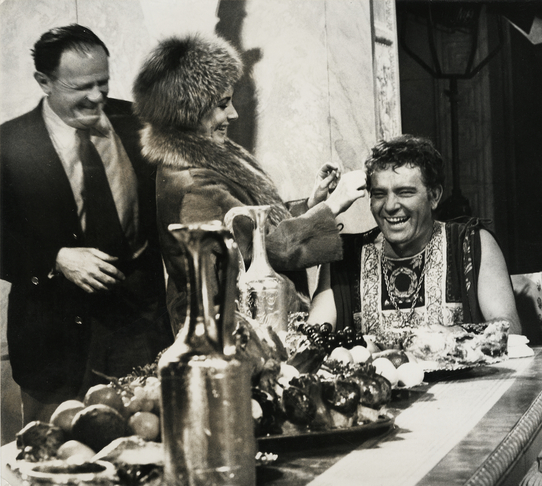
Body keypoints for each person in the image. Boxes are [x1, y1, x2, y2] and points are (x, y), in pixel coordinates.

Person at [132, 34, 367, 333]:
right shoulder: (192, 182)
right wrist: (333, 207)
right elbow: (271, 247)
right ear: (189, 109)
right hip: (227, 335)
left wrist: (312, 203)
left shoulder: (206, 156)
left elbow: (253, 227)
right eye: (223, 104)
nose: (234, 114)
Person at [0, 24, 172, 424]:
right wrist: (55, 257)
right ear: (44, 81)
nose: (97, 96)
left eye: (103, 82)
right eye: (82, 86)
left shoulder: (139, 123)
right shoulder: (9, 146)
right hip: (54, 340)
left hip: (141, 327)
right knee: (60, 460)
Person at [308, 134, 522, 339]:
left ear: (435, 196)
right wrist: (321, 209)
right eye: (380, 194)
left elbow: (509, 330)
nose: (390, 206)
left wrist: (454, 333)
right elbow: (312, 337)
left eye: (405, 192)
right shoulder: (345, 258)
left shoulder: (472, 244)